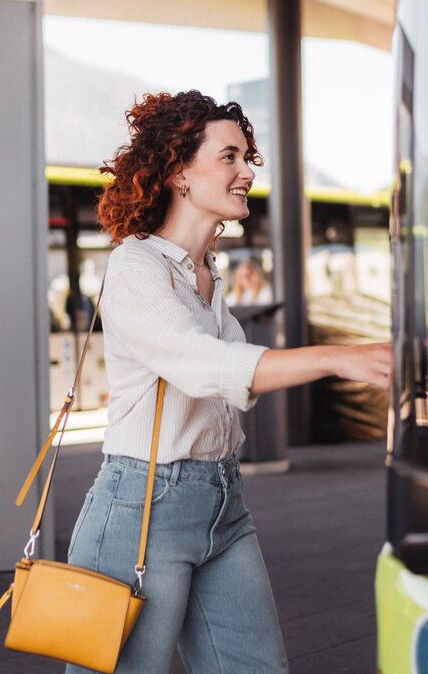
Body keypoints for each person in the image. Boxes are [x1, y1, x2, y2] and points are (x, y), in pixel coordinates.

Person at [65, 90, 391, 674]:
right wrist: (338, 359)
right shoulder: (135, 266)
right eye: (229, 157)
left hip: (222, 502)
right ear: (179, 172)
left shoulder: (207, 273)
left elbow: (233, 377)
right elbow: (206, 366)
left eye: (247, 158)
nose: (247, 172)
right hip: (142, 506)